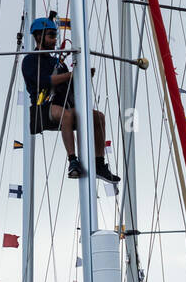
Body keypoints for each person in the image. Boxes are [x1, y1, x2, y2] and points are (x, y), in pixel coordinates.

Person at [22, 16, 119, 183]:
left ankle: (99, 163)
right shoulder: (30, 60)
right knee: (66, 114)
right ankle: (73, 160)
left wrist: (83, 78)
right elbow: (43, 81)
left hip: (62, 104)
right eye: (51, 35)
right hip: (42, 108)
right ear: (38, 37)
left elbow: (69, 87)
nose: (54, 39)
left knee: (98, 117)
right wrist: (71, 75)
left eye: (55, 35)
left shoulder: (58, 63)